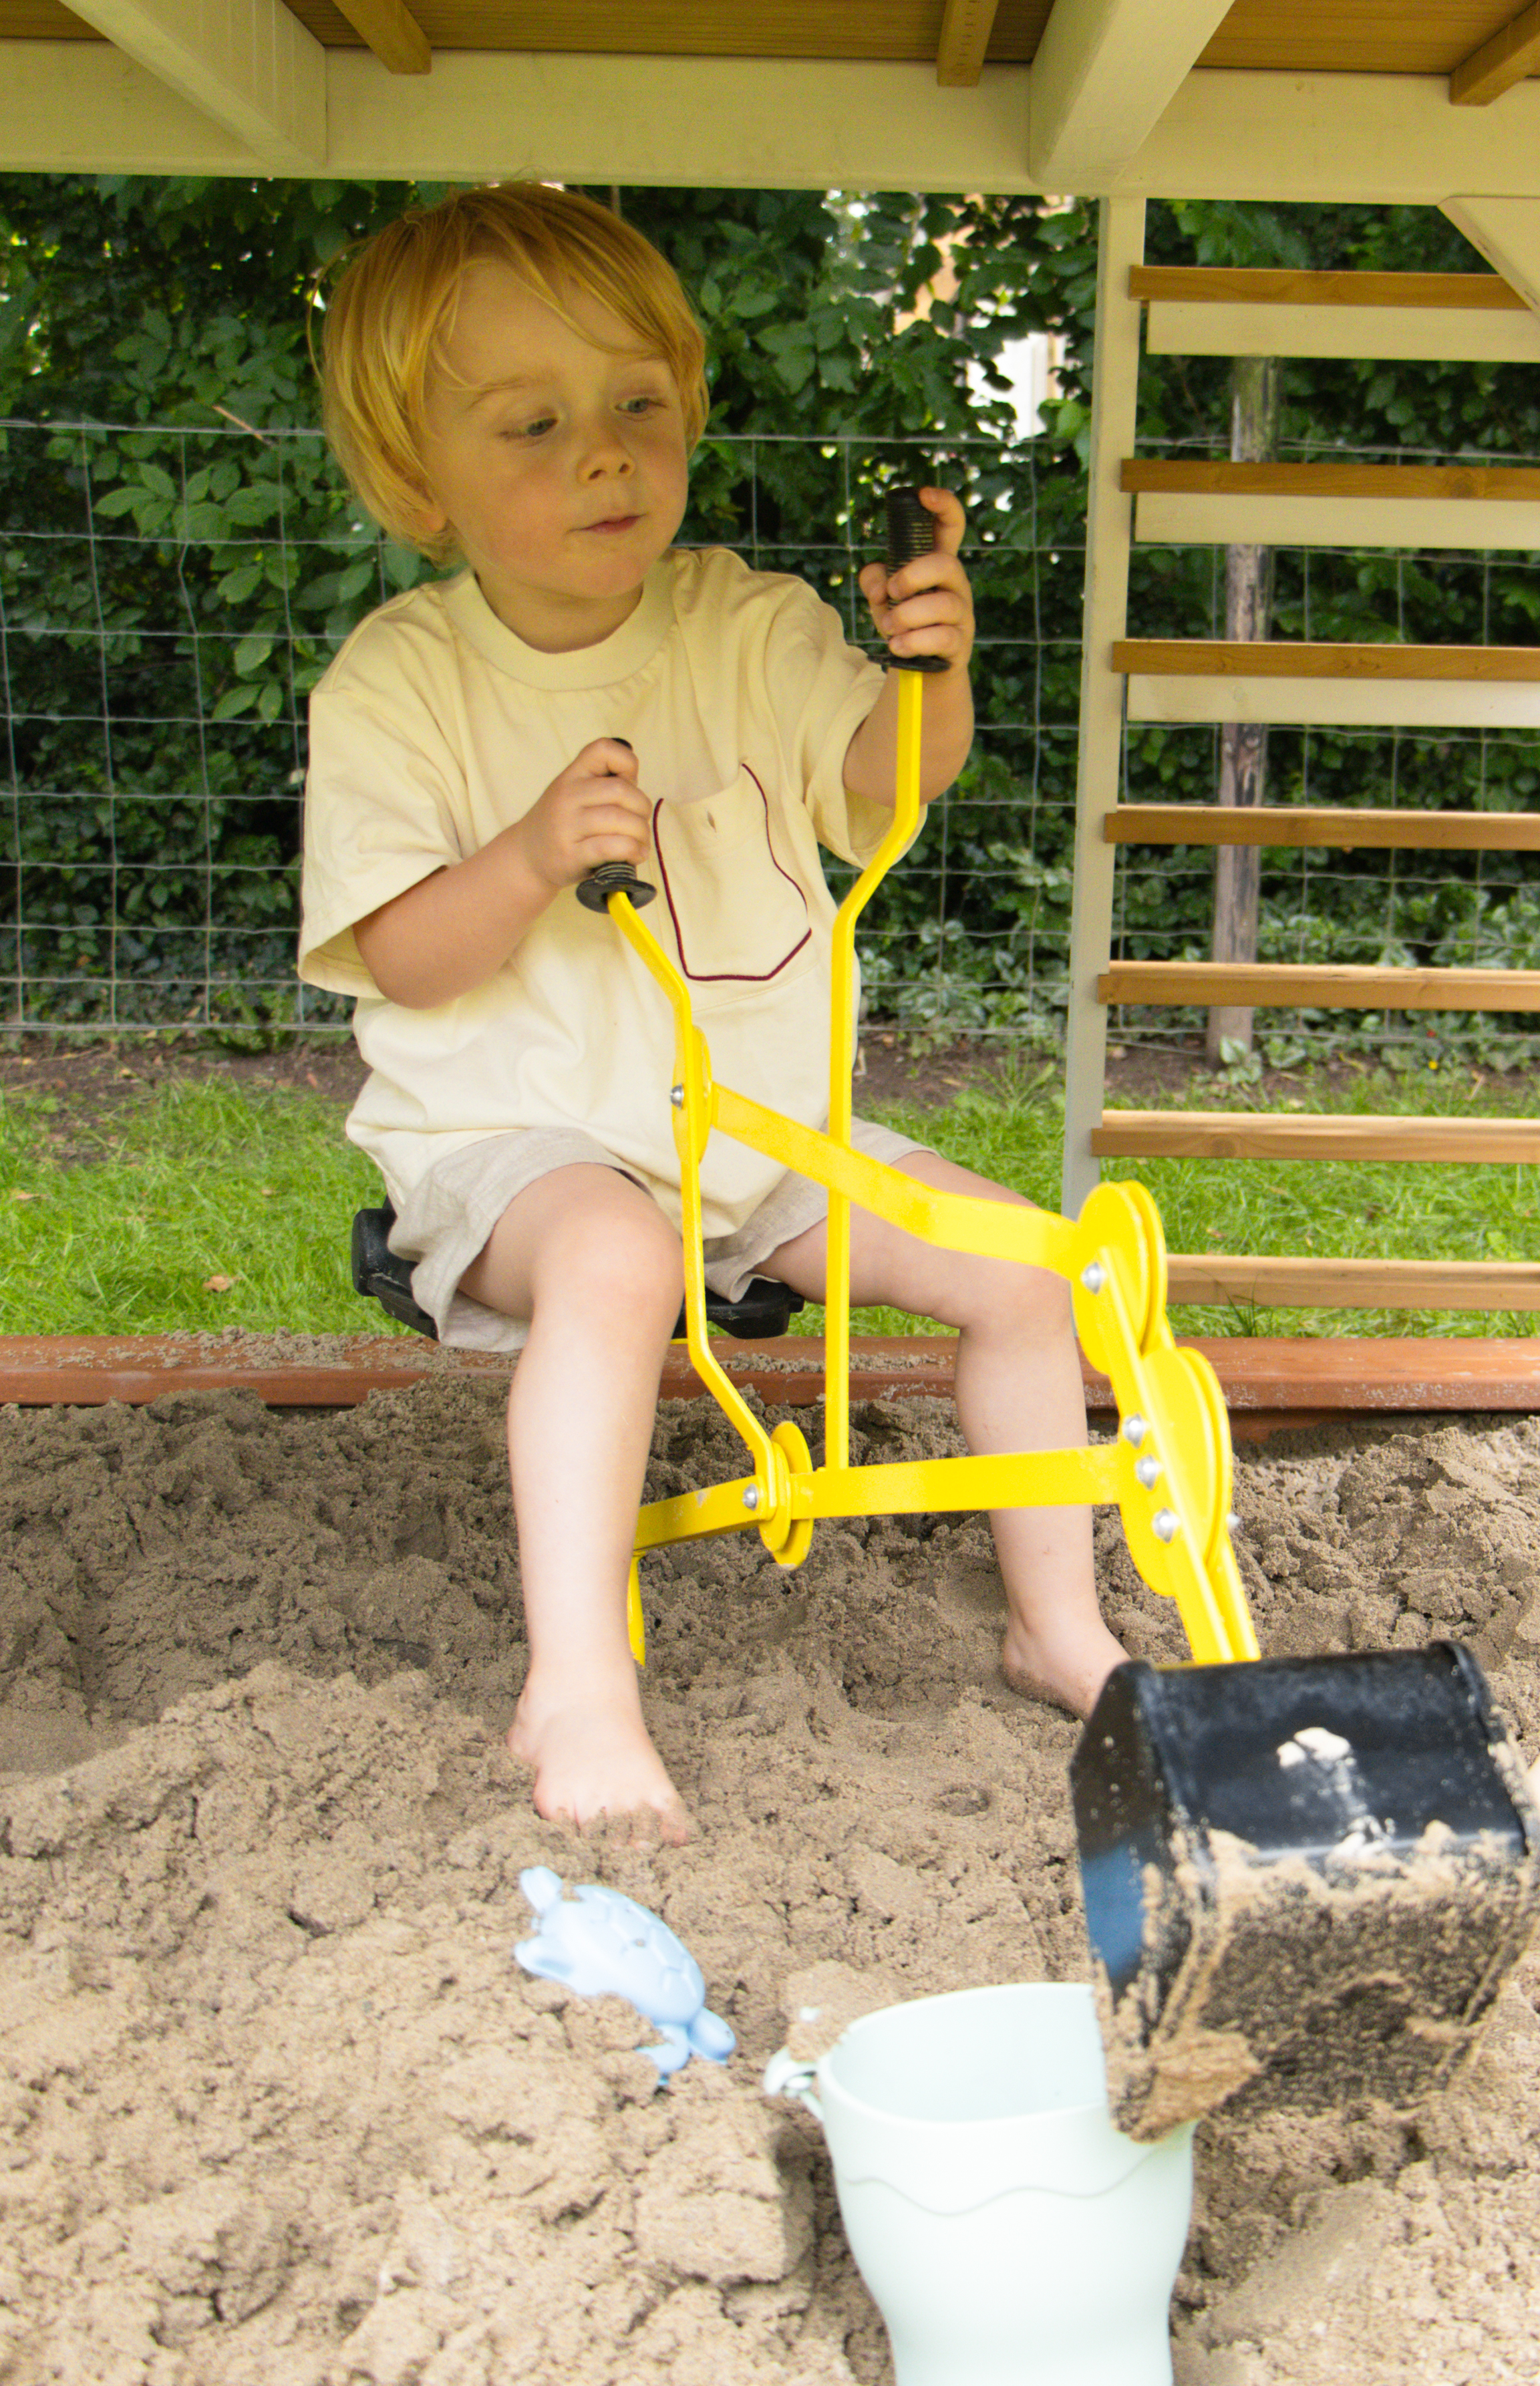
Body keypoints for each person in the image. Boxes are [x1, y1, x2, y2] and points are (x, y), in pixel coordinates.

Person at [299, 183, 1124, 1839]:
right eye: (532, 423)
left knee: (1042, 1269)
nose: (602, 453)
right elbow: (406, 958)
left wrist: (929, 674)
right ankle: (580, 1686)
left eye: (636, 406)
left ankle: (1065, 1627)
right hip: (515, 1147)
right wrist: (531, 850)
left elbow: (882, 795)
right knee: (607, 1259)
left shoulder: (746, 624)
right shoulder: (399, 680)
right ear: (417, 482)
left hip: (755, 1142)